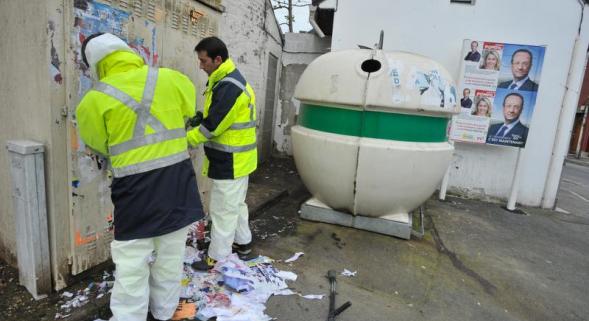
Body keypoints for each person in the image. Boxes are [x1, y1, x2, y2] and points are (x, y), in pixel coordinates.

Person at [76, 33, 204, 321]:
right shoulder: (174, 79)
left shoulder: (93, 101)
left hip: (135, 192)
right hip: (176, 185)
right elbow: (186, 111)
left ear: (96, 64)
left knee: (131, 267)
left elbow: (98, 144)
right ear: (127, 51)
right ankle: (164, 313)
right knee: (170, 260)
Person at [187, 37, 257, 270]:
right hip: (238, 159)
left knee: (223, 210)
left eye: (203, 60)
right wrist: (201, 116)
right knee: (235, 205)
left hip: (231, 161)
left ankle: (216, 257)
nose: (200, 65)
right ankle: (243, 244)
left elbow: (213, 127)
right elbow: (221, 117)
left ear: (218, 59)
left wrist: (184, 140)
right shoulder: (226, 80)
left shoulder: (228, 86)